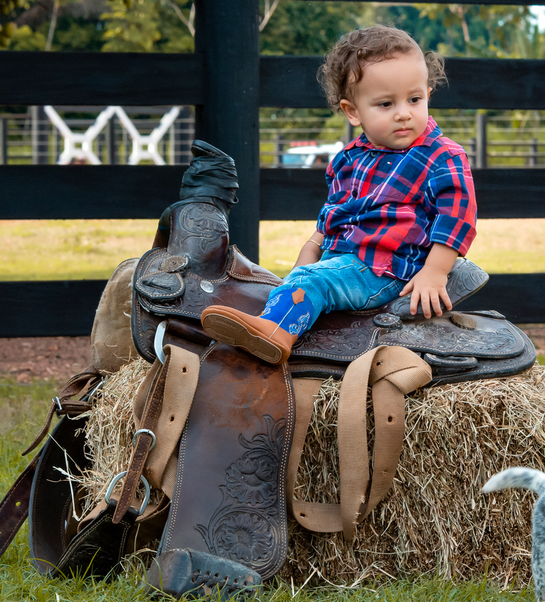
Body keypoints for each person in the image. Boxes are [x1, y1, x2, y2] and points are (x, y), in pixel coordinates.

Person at [200, 25, 477, 365]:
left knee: (315, 282)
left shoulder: (441, 156)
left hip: (387, 270)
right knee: (296, 279)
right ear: (353, 111)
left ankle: (272, 334)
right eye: (386, 103)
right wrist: (313, 244)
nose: (404, 112)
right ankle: (264, 319)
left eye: (414, 99)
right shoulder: (349, 159)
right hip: (343, 259)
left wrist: (434, 271)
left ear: (428, 94)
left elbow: (457, 217)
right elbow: (336, 210)